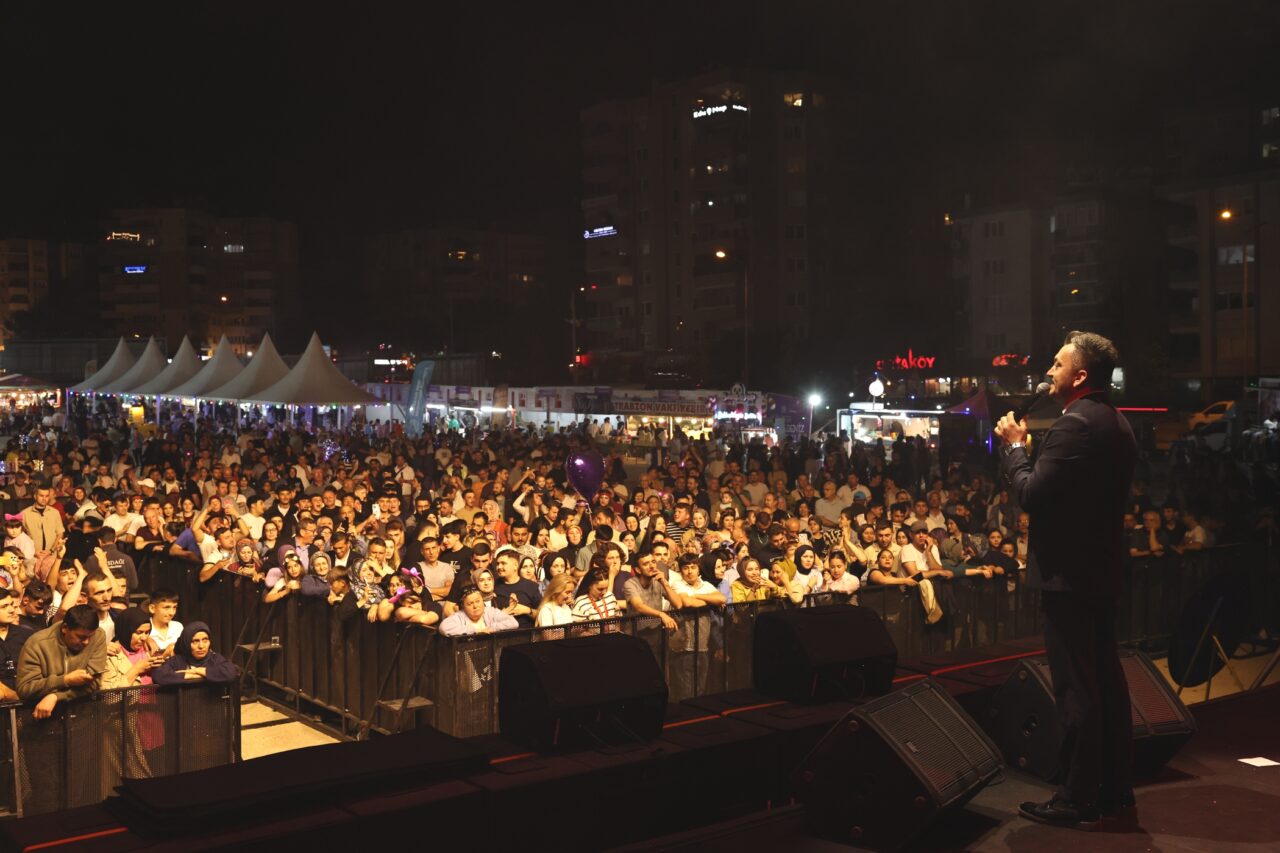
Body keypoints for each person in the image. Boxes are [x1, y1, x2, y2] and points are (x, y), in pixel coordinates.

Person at [995, 331, 1138, 830]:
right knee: (1106, 682)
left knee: (1076, 689)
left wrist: (1015, 449)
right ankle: (1115, 790)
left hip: (1068, 577)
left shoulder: (1074, 424)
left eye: (1057, 364)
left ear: (1079, 375)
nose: (1048, 371)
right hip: (1100, 570)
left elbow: (1031, 494)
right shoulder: (1117, 423)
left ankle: (1076, 797)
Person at [17, 604, 106, 718]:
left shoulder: (98, 635)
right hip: (43, 717)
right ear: (65, 628)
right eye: (81, 637)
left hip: (83, 713)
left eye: (90, 636)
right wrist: (65, 680)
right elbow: (25, 689)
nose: (86, 642)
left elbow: (94, 682)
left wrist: (56, 696)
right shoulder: (37, 644)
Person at [152, 622, 238, 684]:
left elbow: (231, 672)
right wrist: (196, 675)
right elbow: (158, 675)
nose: (201, 646)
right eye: (195, 641)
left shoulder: (215, 659)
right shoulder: (177, 660)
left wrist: (196, 671)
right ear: (186, 643)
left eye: (205, 640)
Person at [438, 587, 520, 636]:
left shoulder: (490, 611)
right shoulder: (459, 616)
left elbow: (513, 623)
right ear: (463, 606)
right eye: (470, 603)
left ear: (482, 601)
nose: (475, 606)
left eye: (478, 601)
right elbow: (444, 628)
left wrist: (491, 628)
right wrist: (475, 630)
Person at [0, 589, 34, 702]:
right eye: (4, 607)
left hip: (30, 698)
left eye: (11, 604)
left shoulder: (27, 634)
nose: (11, 610)